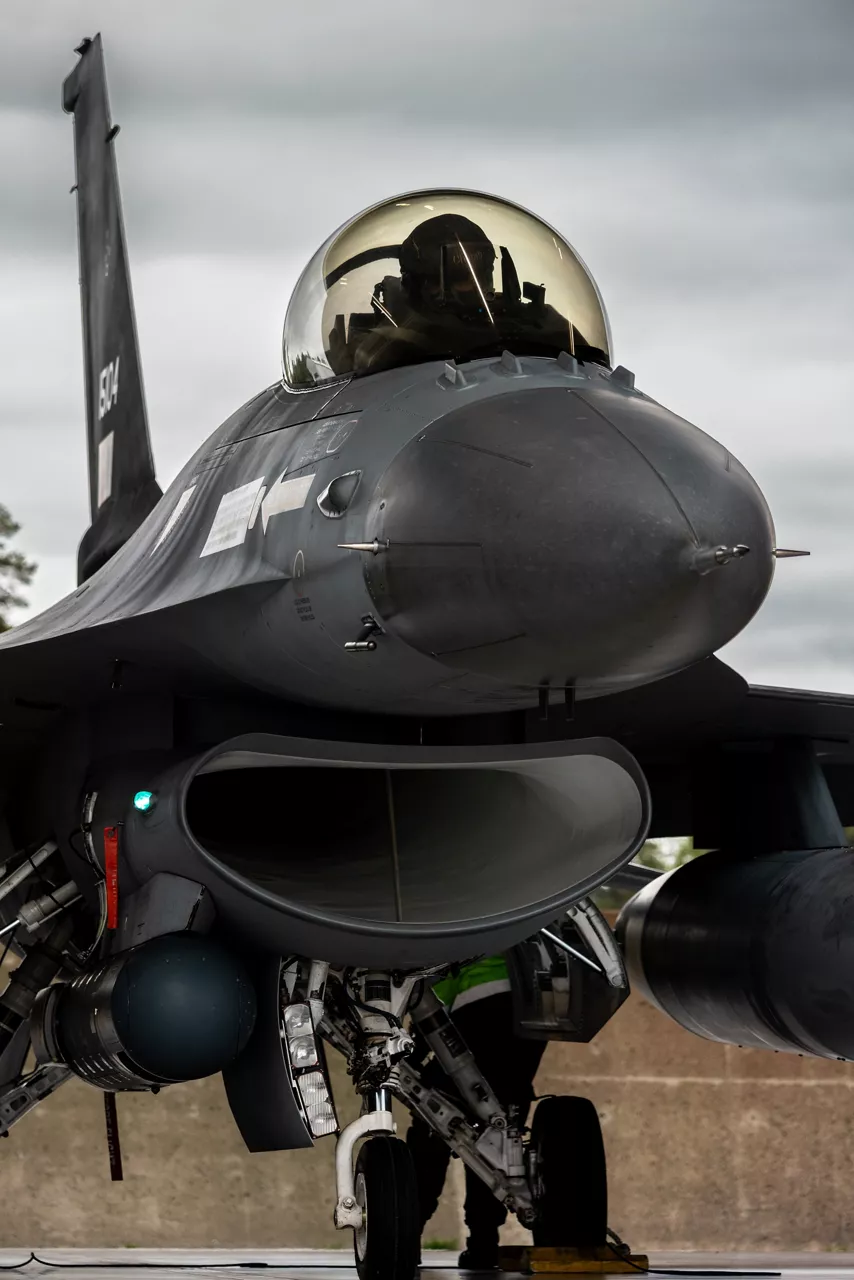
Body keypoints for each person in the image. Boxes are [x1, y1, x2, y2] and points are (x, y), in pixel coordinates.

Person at [406, 954, 546, 1271]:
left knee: (435, 1121)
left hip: (476, 1007)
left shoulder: (452, 935)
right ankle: (483, 1243)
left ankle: (408, 1232)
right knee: (497, 1130)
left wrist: (414, 1055)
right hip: (527, 1014)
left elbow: (432, 1006)